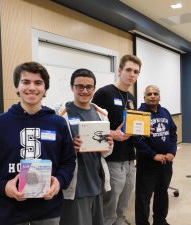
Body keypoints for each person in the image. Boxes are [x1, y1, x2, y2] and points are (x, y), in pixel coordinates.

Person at [0, 62, 76, 225]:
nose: (32, 87)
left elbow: (68, 161)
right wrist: (3, 187)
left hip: (48, 211)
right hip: (7, 212)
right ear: (17, 87)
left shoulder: (58, 123)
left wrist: (60, 181)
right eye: (26, 82)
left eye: (38, 83)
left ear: (45, 89)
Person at [55, 68, 114, 225]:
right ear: (72, 87)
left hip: (97, 182)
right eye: (79, 86)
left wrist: (109, 145)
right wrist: (70, 147)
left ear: (94, 88)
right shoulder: (61, 115)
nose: (84, 90)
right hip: (76, 187)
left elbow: (105, 154)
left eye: (89, 87)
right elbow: (53, 151)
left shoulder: (101, 113)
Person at [92, 54, 142, 225]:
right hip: (112, 158)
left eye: (136, 72)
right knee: (110, 201)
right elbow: (91, 126)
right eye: (128, 70)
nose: (132, 74)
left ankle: (120, 221)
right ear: (119, 70)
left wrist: (141, 129)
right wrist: (112, 133)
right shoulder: (104, 93)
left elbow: (131, 126)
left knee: (125, 199)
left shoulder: (132, 98)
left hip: (130, 158)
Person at [134, 85, 177, 225]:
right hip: (148, 164)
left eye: (155, 94)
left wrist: (172, 152)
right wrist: (153, 155)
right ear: (144, 97)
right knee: (143, 197)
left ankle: (160, 220)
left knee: (162, 193)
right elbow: (137, 140)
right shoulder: (139, 114)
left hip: (166, 163)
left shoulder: (165, 112)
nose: (152, 96)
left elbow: (172, 133)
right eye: (149, 94)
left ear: (160, 96)